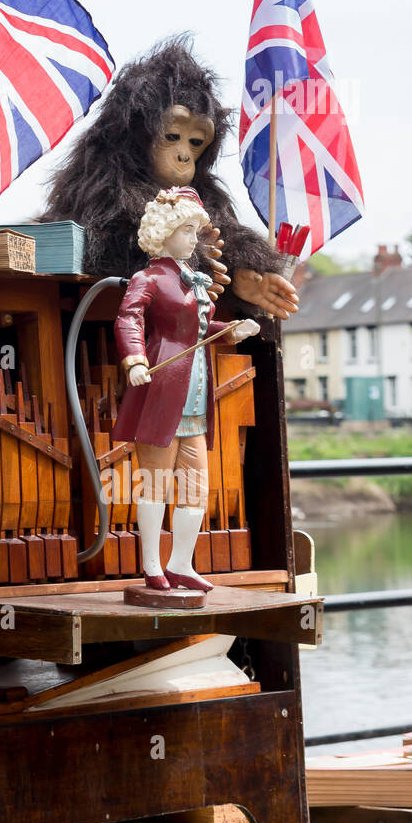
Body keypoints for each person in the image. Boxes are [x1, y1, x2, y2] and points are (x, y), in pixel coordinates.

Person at [111, 187, 260, 592]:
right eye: (188, 230)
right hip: (162, 389)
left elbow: (196, 331)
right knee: (155, 482)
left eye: (196, 231)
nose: (195, 239)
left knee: (196, 485)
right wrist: (136, 360)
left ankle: (182, 564)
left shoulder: (190, 278)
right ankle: (151, 566)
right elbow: (129, 319)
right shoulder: (148, 278)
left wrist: (230, 331)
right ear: (165, 232)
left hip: (195, 394)